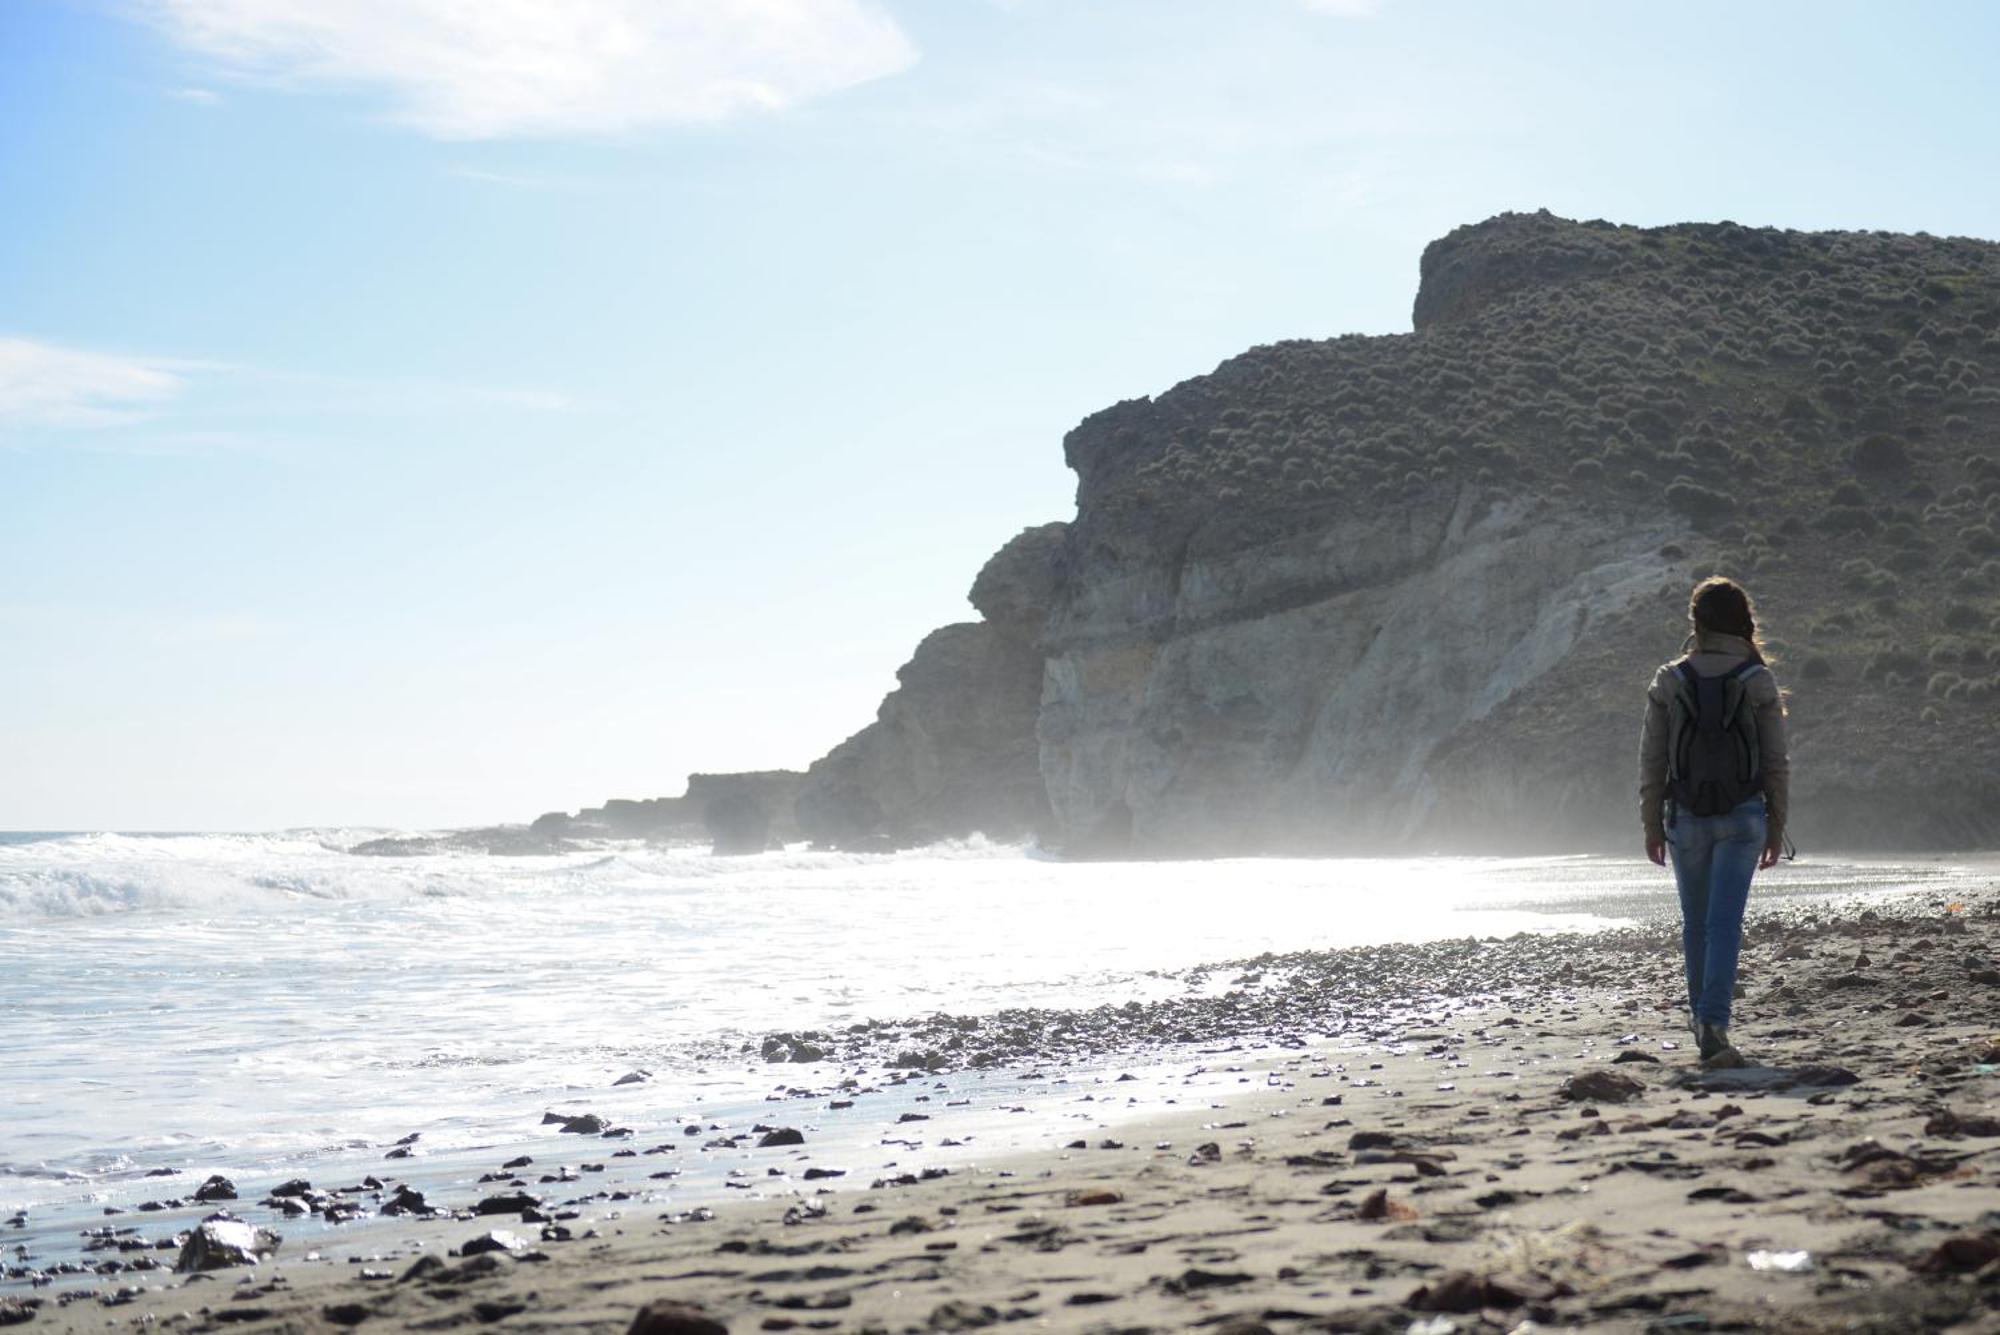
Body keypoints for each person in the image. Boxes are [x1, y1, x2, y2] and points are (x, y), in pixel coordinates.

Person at [1638, 576, 1790, 1063]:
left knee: (1696, 925)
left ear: (1696, 622)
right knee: (1726, 923)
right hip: (1744, 816)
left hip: (1687, 817)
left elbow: (1651, 762)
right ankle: (1713, 1022)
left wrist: (1649, 824)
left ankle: (1702, 1016)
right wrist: (1777, 825)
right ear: (1743, 622)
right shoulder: (1758, 680)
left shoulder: (1669, 679)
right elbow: (1775, 762)